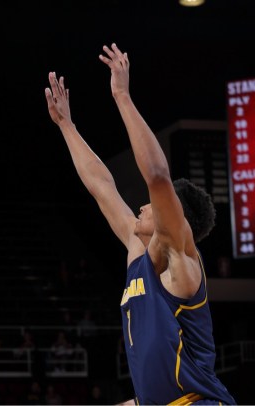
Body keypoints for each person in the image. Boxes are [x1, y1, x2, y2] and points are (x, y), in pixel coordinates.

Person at [44, 43, 235, 405]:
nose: (143, 206)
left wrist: (122, 96)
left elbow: (159, 176)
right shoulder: (138, 251)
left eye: (153, 205)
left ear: (174, 216)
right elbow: (102, 186)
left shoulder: (181, 260)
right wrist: (66, 126)